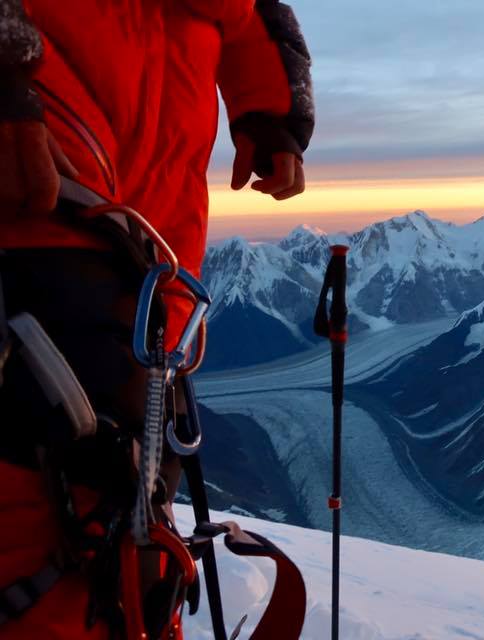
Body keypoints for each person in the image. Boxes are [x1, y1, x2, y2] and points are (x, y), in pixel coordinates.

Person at [0, 1, 314, 637]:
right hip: (47, 187)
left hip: (153, 252)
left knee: (123, 510)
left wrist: (273, 111)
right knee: (53, 504)